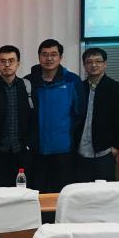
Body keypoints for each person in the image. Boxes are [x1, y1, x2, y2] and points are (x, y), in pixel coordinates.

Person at [27, 39, 81, 193]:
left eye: (53, 54)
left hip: (64, 150)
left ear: (60, 57)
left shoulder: (72, 80)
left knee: (63, 194)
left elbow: (79, 113)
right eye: (44, 54)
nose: (49, 58)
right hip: (36, 150)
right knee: (37, 195)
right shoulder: (29, 82)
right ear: (39, 57)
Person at [73, 47, 119, 183]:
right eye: (89, 62)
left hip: (105, 152)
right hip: (80, 151)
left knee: (104, 191)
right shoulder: (78, 88)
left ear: (105, 64)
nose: (94, 65)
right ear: (84, 65)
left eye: (98, 61)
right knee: (82, 189)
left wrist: (116, 146)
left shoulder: (117, 89)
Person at [0, 45, 36, 187]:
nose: (7, 65)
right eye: (3, 61)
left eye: (11, 61)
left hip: (23, 152)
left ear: (18, 63)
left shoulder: (28, 86)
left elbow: (34, 120)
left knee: (23, 193)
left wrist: (31, 145)